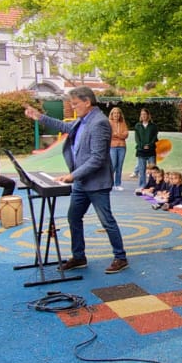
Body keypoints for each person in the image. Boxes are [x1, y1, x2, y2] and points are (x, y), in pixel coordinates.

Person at [25, 88, 130, 274]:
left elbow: (98, 158)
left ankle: (120, 257)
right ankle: (79, 256)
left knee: (107, 221)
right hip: (82, 182)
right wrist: (40, 117)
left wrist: (73, 176)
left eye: (75, 104)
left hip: (96, 183)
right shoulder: (83, 121)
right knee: (74, 217)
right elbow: (65, 127)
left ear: (87, 102)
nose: (73, 108)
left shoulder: (99, 123)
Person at [133, 108, 158, 191]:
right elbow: (137, 138)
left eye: (145, 114)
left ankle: (153, 185)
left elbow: (155, 137)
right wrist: (142, 145)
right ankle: (142, 185)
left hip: (151, 150)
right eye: (142, 114)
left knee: (153, 169)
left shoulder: (153, 126)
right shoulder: (137, 126)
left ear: (148, 115)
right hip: (141, 151)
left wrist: (149, 145)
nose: (143, 116)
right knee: (141, 169)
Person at [107, 106, 129, 191]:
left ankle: (118, 184)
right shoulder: (109, 123)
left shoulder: (123, 123)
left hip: (122, 147)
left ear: (120, 114)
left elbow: (126, 134)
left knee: (119, 166)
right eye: (115, 113)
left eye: (118, 113)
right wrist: (120, 135)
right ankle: (110, 184)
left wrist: (117, 135)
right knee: (113, 165)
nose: (116, 115)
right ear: (112, 114)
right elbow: (110, 134)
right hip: (112, 147)